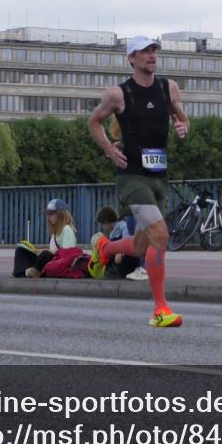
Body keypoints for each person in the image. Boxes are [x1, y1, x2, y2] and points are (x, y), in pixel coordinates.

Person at [88, 35, 190, 327]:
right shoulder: (118, 94)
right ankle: (160, 309)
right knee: (161, 235)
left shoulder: (168, 87)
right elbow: (93, 122)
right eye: (144, 51)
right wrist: (109, 149)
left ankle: (105, 249)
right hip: (132, 177)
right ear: (131, 58)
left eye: (154, 50)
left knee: (145, 245)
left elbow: (183, 119)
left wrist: (183, 128)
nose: (151, 55)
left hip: (159, 176)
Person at [95, 206, 142, 280]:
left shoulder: (123, 226)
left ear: (107, 222)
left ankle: (116, 271)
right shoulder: (114, 231)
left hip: (126, 259)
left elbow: (127, 240)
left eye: (103, 224)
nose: (103, 227)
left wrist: (120, 251)